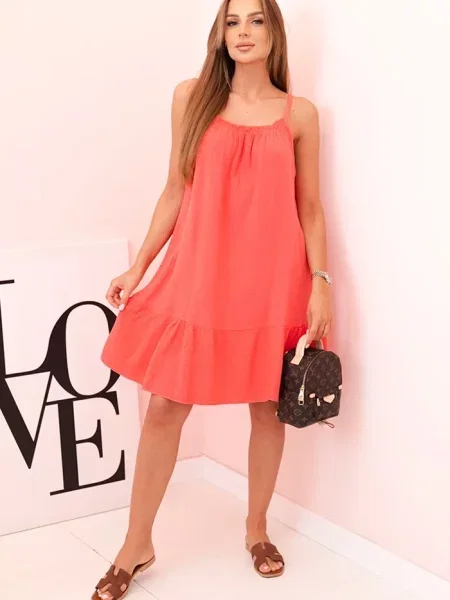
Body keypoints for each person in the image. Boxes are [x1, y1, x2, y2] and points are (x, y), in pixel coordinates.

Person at [92, 0, 332, 597]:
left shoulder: (300, 114)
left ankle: (257, 530)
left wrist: (321, 281)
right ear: (220, 34)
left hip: (274, 283)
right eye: (232, 21)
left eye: (256, 20)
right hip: (201, 277)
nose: (243, 31)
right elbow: (175, 189)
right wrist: (140, 266)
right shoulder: (191, 98)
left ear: (274, 33)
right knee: (165, 408)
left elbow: (309, 207)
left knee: (266, 409)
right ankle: (136, 544)